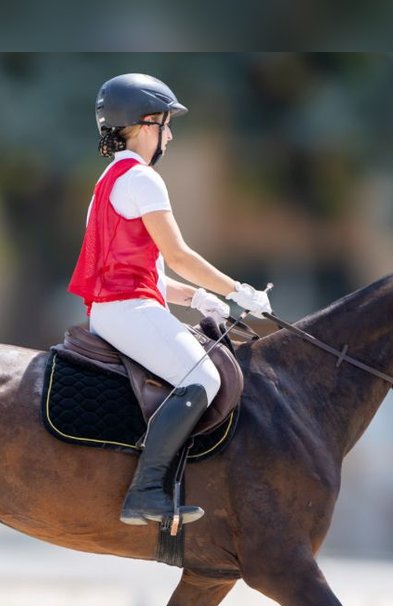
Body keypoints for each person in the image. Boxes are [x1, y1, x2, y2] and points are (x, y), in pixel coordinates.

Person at [69, 73, 273, 527]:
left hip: (118, 308)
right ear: (145, 125)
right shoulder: (143, 179)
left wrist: (198, 298)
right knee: (202, 380)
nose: (170, 134)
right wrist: (238, 290)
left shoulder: (108, 180)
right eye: (166, 124)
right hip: (127, 311)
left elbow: (146, 274)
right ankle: (144, 492)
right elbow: (178, 255)